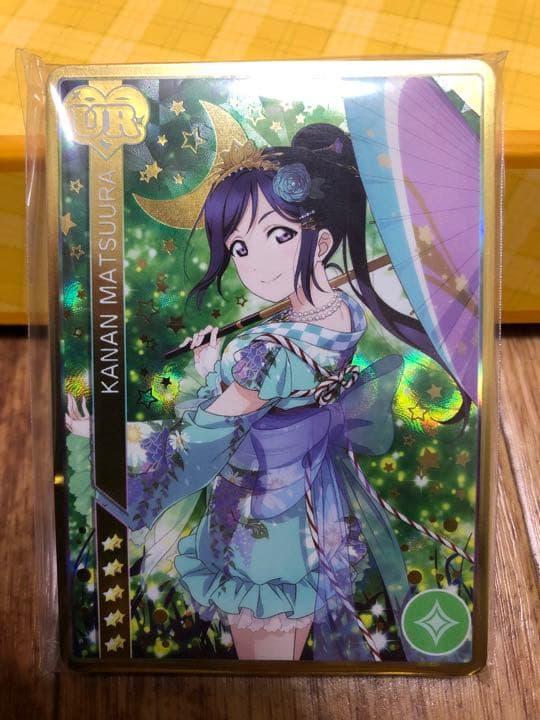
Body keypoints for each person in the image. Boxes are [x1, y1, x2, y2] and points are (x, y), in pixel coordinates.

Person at [66, 123, 471, 662]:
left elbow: (203, 440)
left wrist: (110, 436)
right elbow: (269, 396)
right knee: (275, 653)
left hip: (263, 521)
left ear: (320, 242)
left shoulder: (272, 351)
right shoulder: (340, 314)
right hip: (305, 499)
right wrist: (218, 366)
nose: (253, 263)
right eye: (239, 246)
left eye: (278, 235)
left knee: (264, 659)